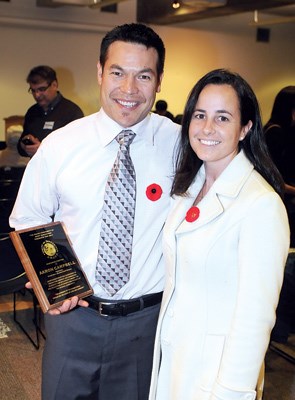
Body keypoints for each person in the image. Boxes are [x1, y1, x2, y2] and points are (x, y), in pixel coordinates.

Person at [10, 23, 179, 400]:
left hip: (147, 323)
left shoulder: (180, 146)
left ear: (159, 80)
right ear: (100, 72)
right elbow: (28, 218)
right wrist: (51, 281)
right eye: (118, 72)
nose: (129, 89)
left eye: (144, 76)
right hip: (73, 319)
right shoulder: (61, 145)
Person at [148, 69, 290, 400]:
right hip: (173, 356)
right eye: (200, 115)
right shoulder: (188, 189)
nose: (207, 128)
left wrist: (232, 391)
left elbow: (255, 318)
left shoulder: (260, 205)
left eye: (223, 118)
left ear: (245, 128)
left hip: (215, 375)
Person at [264, 86, 295, 344]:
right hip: (283, 207)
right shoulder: (276, 133)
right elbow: (272, 175)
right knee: (283, 270)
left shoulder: (276, 130)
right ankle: (280, 326)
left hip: (284, 205)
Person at [18, 65, 84, 158]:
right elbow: (20, 149)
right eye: (33, 90)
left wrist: (43, 150)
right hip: (37, 170)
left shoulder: (72, 111)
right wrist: (24, 144)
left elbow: (78, 148)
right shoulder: (32, 112)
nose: (37, 95)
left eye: (41, 89)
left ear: (54, 85)